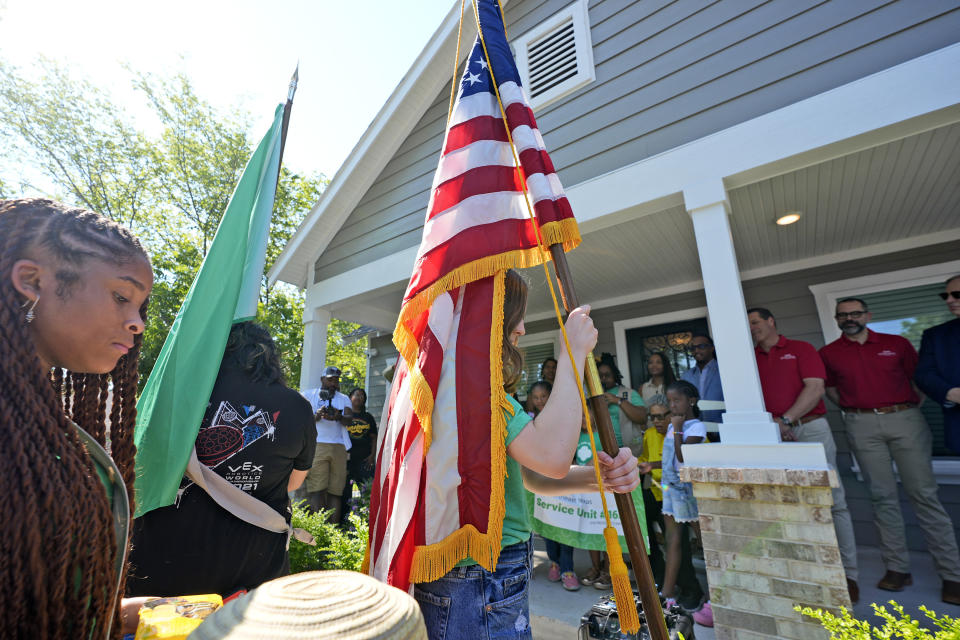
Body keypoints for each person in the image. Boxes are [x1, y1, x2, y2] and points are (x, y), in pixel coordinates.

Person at [412, 270, 641, 640]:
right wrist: (571, 355)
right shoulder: (481, 400)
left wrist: (598, 477)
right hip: (484, 576)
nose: (521, 328)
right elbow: (552, 457)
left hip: (464, 575)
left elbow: (531, 476)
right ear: (489, 321)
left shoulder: (451, 395)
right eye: (514, 314)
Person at [0, 198, 153, 638]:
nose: (136, 323)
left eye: (139, 307)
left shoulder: (40, 422)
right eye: (121, 297)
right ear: (31, 281)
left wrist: (117, 612)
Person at [127, 322, 317, 598]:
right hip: (253, 574)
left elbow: (144, 463)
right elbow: (293, 483)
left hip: (163, 569)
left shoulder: (180, 394)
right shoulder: (297, 407)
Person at [820, 297, 960, 603]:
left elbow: (921, 378)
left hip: (905, 419)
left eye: (855, 313)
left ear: (867, 315)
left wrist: (906, 409)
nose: (850, 318)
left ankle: (952, 574)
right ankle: (897, 568)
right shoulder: (829, 353)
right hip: (862, 423)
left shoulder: (896, 343)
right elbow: (830, 389)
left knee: (924, 494)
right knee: (882, 497)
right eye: (843, 315)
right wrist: (851, 407)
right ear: (837, 319)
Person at [748, 306, 860, 603]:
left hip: (809, 429)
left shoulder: (801, 348)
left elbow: (816, 388)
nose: (753, 328)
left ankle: (848, 574)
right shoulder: (750, 358)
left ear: (771, 321)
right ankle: (806, 569)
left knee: (832, 501)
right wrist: (775, 426)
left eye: (756, 322)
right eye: (749, 325)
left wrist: (785, 420)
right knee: (787, 503)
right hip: (772, 437)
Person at [658, 381, 708, 620]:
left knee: (703, 537)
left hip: (686, 490)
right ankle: (667, 593)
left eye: (676, 400)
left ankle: (715, 591)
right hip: (669, 488)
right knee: (672, 539)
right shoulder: (673, 426)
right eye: (670, 401)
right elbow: (668, 461)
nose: (673, 405)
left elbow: (683, 458)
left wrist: (677, 429)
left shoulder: (696, 427)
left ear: (691, 401)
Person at [302, 366, 353, 522]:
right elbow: (300, 417)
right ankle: (319, 531)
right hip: (317, 444)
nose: (333, 383)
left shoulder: (344, 398)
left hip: (339, 446)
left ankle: (333, 533)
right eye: (330, 379)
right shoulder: (308, 395)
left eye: (336, 379)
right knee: (317, 489)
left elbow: (349, 420)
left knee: (335, 492)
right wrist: (315, 416)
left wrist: (338, 416)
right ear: (322, 379)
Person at [916, 274, 960, 453]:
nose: (949, 300)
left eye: (956, 294)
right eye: (945, 296)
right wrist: (950, 393)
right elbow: (924, 374)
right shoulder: (936, 335)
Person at [597, 353, 647, 453]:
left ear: (615, 376)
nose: (603, 379)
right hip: (601, 450)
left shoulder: (629, 393)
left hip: (626, 448)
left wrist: (618, 400)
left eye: (607, 375)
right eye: (600, 376)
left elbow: (642, 418)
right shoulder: (592, 397)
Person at [342, 387, 378, 522]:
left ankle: (365, 517)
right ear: (350, 397)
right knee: (347, 490)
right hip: (347, 460)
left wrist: (372, 456)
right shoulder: (344, 417)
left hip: (365, 460)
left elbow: (374, 438)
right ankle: (345, 519)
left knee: (366, 488)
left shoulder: (368, 417)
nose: (359, 397)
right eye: (356, 394)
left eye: (362, 395)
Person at [681, 333, 724, 424]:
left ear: (712, 348)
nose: (696, 350)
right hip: (696, 431)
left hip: (724, 428)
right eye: (693, 348)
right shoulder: (686, 376)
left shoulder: (724, 371)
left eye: (702, 346)